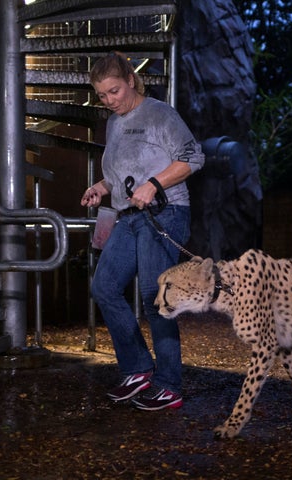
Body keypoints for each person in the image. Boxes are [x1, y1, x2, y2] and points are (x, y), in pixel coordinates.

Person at [81, 52, 204, 411]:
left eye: (115, 91)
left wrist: (153, 184)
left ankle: (169, 384)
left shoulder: (159, 113)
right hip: (128, 216)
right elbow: (124, 169)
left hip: (166, 212)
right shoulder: (114, 122)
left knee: (155, 295)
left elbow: (193, 157)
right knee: (104, 287)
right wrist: (103, 187)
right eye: (102, 95)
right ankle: (138, 369)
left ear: (131, 81)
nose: (109, 101)